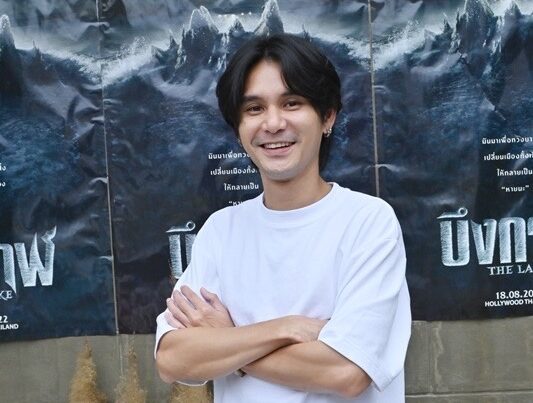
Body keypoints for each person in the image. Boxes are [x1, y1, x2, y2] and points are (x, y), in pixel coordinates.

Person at [155, 33, 411, 402]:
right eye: (254, 108)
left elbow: (345, 372)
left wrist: (228, 342)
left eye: (292, 103)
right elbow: (172, 359)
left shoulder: (368, 222)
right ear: (238, 128)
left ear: (327, 116)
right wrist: (285, 328)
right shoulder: (221, 231)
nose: (273, 123)